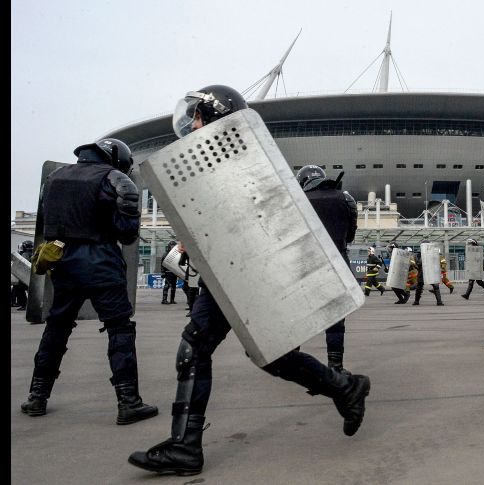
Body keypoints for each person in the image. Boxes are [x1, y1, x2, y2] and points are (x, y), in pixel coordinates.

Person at [128, 85, 370, 476]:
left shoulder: (243, 162)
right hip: (228, 273)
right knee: (261, 352)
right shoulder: (211, 164)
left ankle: (186, 447)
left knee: (211, 347)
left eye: (198, 116)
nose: (192, 124)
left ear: (217, 117)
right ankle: (343, 387)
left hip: (244, 272)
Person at [21, 138, 158, 424]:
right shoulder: (114, 178)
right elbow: (127, 233)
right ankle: (128, 402)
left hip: (63, 262)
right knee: (119, 328)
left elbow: (47, 223)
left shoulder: (55, 178)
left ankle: (37, 397)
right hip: (101, 262)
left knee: (56, 328)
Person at [297, 164, 358, 371]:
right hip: (337, 259)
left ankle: (292, 361)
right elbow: (350, 235)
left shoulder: (297, 200)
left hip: (305, 263)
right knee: (336, 318)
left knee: (297, 314)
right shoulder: (346, 198)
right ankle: (335, 365)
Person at [412, 240, 444, 306]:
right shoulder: (419, 254)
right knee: (419, 287)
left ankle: (439, 301)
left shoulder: (433, 253)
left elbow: (437, 262)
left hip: (431, 272)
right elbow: (417, 263)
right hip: (422, 272)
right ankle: (416, 301)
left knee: (435, 286)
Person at [12, 240, 34, 311]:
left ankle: (24, 304)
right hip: (32, 275)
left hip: (25, 275)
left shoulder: (25, 254)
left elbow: (24, 264)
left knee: (19, 289)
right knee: (30, 290)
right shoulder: (33, 253)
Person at [160, 240, 178, 305]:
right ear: (169, 246)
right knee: (167, 286)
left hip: (174, 272)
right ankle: (164, 300)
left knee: (173, 287)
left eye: (174, 246)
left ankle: (172, 300)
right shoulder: (165, 254)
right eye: (171, 246)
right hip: (167, 272)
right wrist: (163, 272)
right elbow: (162, 264)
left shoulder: (176, 255)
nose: (172, 247)